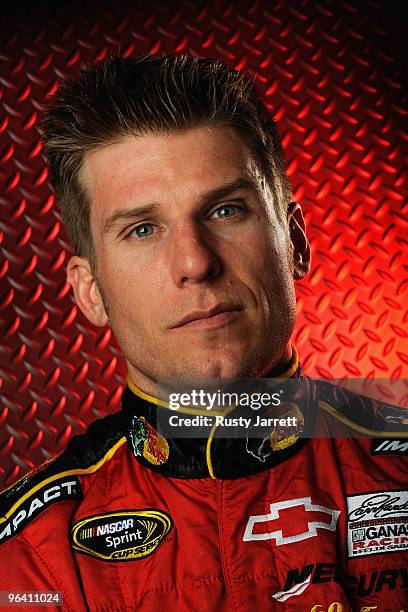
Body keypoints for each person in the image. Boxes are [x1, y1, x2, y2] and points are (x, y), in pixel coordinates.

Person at [0, 54, 406, 611]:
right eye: (142, 229)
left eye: (224, 210)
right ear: (90, 290)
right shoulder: (29, 555)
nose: (194, 261)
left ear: (295, 241)